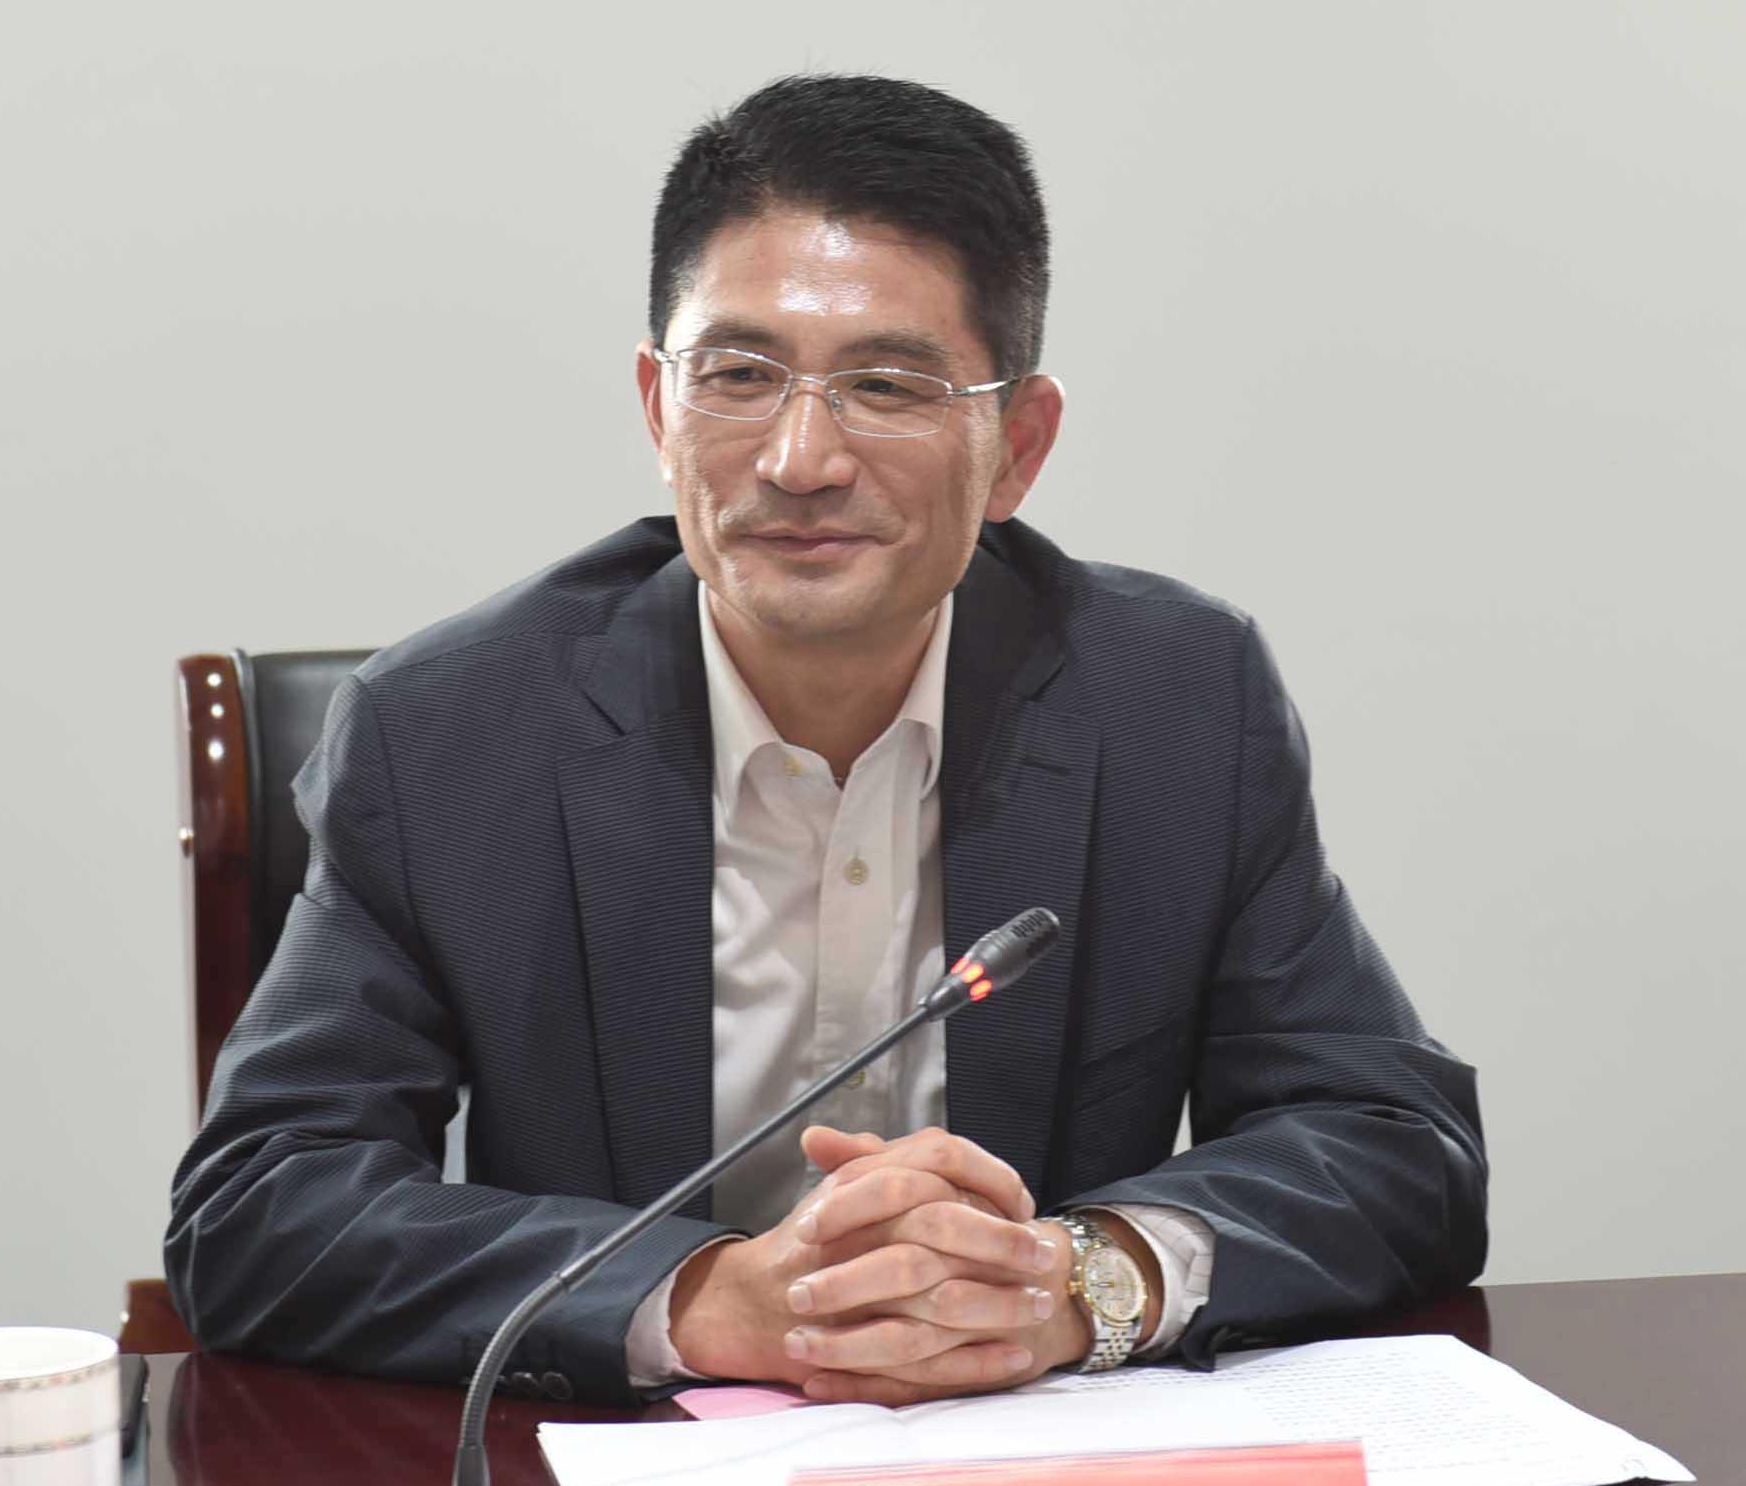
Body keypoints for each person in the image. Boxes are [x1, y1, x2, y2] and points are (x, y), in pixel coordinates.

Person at [166, 73, 1485, 1406]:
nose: (800, 458)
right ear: (657, 408)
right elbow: (262, 1205)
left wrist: (1080, 1279)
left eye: (887, 385)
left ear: (1017, 447)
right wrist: (697, 1300)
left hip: (1030, 1478)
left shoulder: (1176, 703)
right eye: (739, 377)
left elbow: (1393, 1143)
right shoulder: (448, 733)